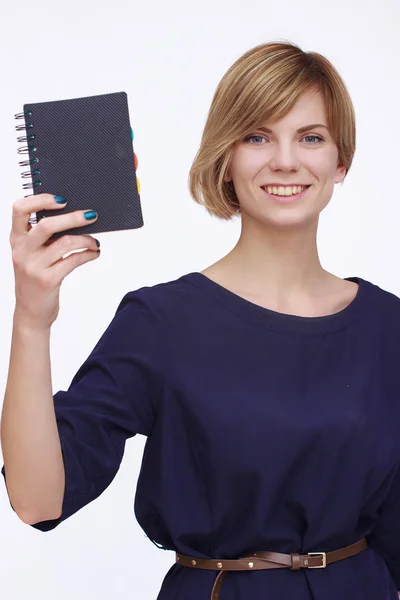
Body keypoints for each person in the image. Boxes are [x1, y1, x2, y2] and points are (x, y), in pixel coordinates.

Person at [1, 40, 400, 600]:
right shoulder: (161, 321)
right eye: (257, 136)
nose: (285, 160)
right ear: (226, 157)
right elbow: (38, 500)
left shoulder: (388, 325)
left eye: (310, 137)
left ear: (340, 162)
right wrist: (31, 320)